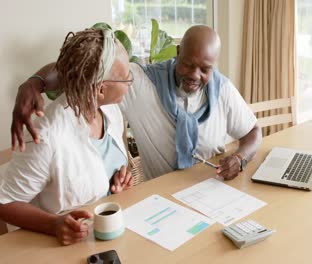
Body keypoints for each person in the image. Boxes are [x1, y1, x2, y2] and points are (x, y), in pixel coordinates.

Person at [11, 25, 262, 181]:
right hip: (161, 200)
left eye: (205, 69)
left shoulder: (223, 90)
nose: (195, 75)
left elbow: (253, 132)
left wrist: (240, 158)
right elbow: (80, 69)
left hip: (212, 189)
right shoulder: (138, 83)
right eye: (188, 64)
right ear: (177, 54)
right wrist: (34, 83)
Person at [0, 28, 134, 245]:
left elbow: (102, 167)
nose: (130, 82)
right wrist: (53, 224)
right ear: (101, 89)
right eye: (127, 77)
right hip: (67, 246)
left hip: (110, 235)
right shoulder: (47, 136)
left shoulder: (111, 111)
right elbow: (5, 203)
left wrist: (118, 181)